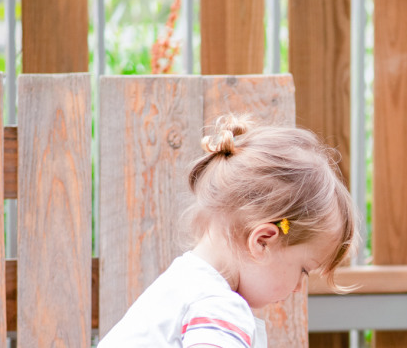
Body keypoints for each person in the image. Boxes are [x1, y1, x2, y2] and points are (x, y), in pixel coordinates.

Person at [98, 115, 357, 348]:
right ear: (263, 241)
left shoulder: (183, 286)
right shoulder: (218, 306)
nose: (300, 287)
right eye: (304, 270)